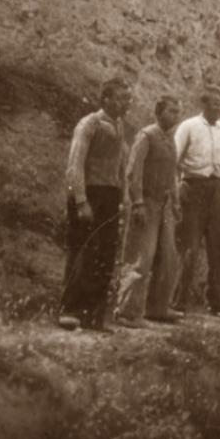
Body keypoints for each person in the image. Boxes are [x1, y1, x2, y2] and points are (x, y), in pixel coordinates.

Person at [59, 78, 131, 332]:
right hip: (89, 193)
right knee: (82, 252)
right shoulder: (89, 124)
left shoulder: (120, 126)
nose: (127, 102)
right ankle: (69, 310)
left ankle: (94, 314)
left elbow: (120, 167)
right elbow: (75, 165)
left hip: (110, 196)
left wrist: (123, 198)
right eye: (122, 98)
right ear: (106, 99)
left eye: (128, 98)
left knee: (105, 256)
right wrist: (80, 201)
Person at [113, 94, 184, 328]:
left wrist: (175, 202)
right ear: (158, 111)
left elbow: (172, 174)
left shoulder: (170, 140)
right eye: (171, 111)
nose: (176, 115)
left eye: (177, 111)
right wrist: (138, 203)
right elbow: (133, 172)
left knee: (169, 259)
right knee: (141, 259)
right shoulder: (146, 136)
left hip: (164, 207)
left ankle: (158, 308)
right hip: (147, 204)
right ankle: (126, 312)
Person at [173, 85, 220, 316]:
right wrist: (177, 187)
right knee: (189, 246)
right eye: (214, 103)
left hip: (219, 189)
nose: (219, 108)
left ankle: (219, 302)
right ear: (204, 104)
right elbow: (173, 158)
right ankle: (177, 302)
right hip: (194, 188)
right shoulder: (188, 127)